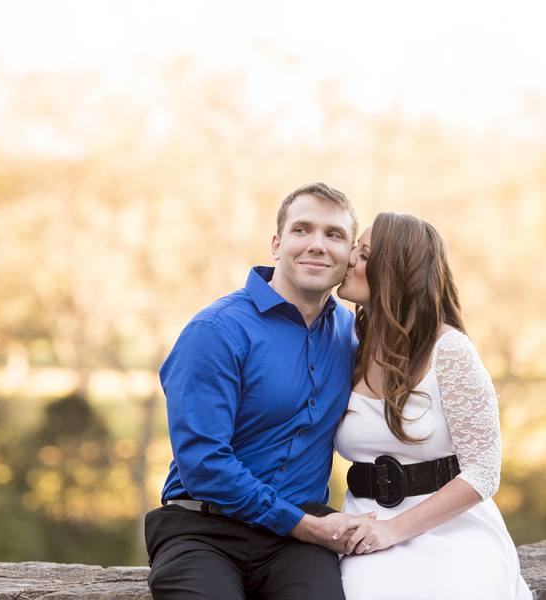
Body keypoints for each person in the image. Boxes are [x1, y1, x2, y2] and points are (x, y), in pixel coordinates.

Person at [145, 182, 375, 600]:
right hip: (203, 530)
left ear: (351, 256)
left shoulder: (353, 336)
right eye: (302, 230)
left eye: (334, 235)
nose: (317, 245)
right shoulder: (215, 331)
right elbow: (203, 462)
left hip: (298, 545)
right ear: (276, 244)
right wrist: (303, 524)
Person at [334, 212, 532, 599]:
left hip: (453, 528)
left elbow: (484, 472)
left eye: (364, 255)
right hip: (364, 524)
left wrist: (394, 529)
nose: (348, 260)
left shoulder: (450, 350)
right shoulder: (347, 347)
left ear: (395, 271)